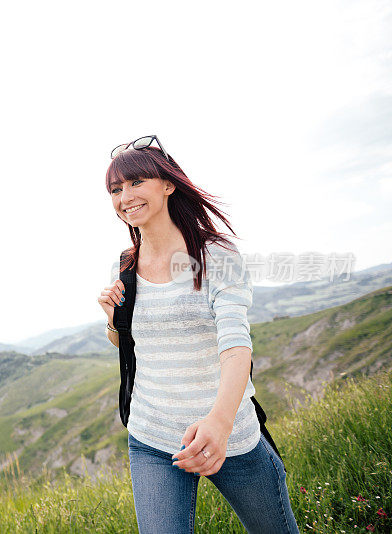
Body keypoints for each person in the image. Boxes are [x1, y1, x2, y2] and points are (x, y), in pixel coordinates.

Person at [97, 135, 300, 534]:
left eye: (137, 182)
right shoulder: (126, 265)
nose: (126, 196)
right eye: (116, 189)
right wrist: (112, 320)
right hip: (151, 437)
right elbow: (130, 345)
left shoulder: (216, 257)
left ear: (168, 184)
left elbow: (236, 346)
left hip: (230, 434)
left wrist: (220, 424)